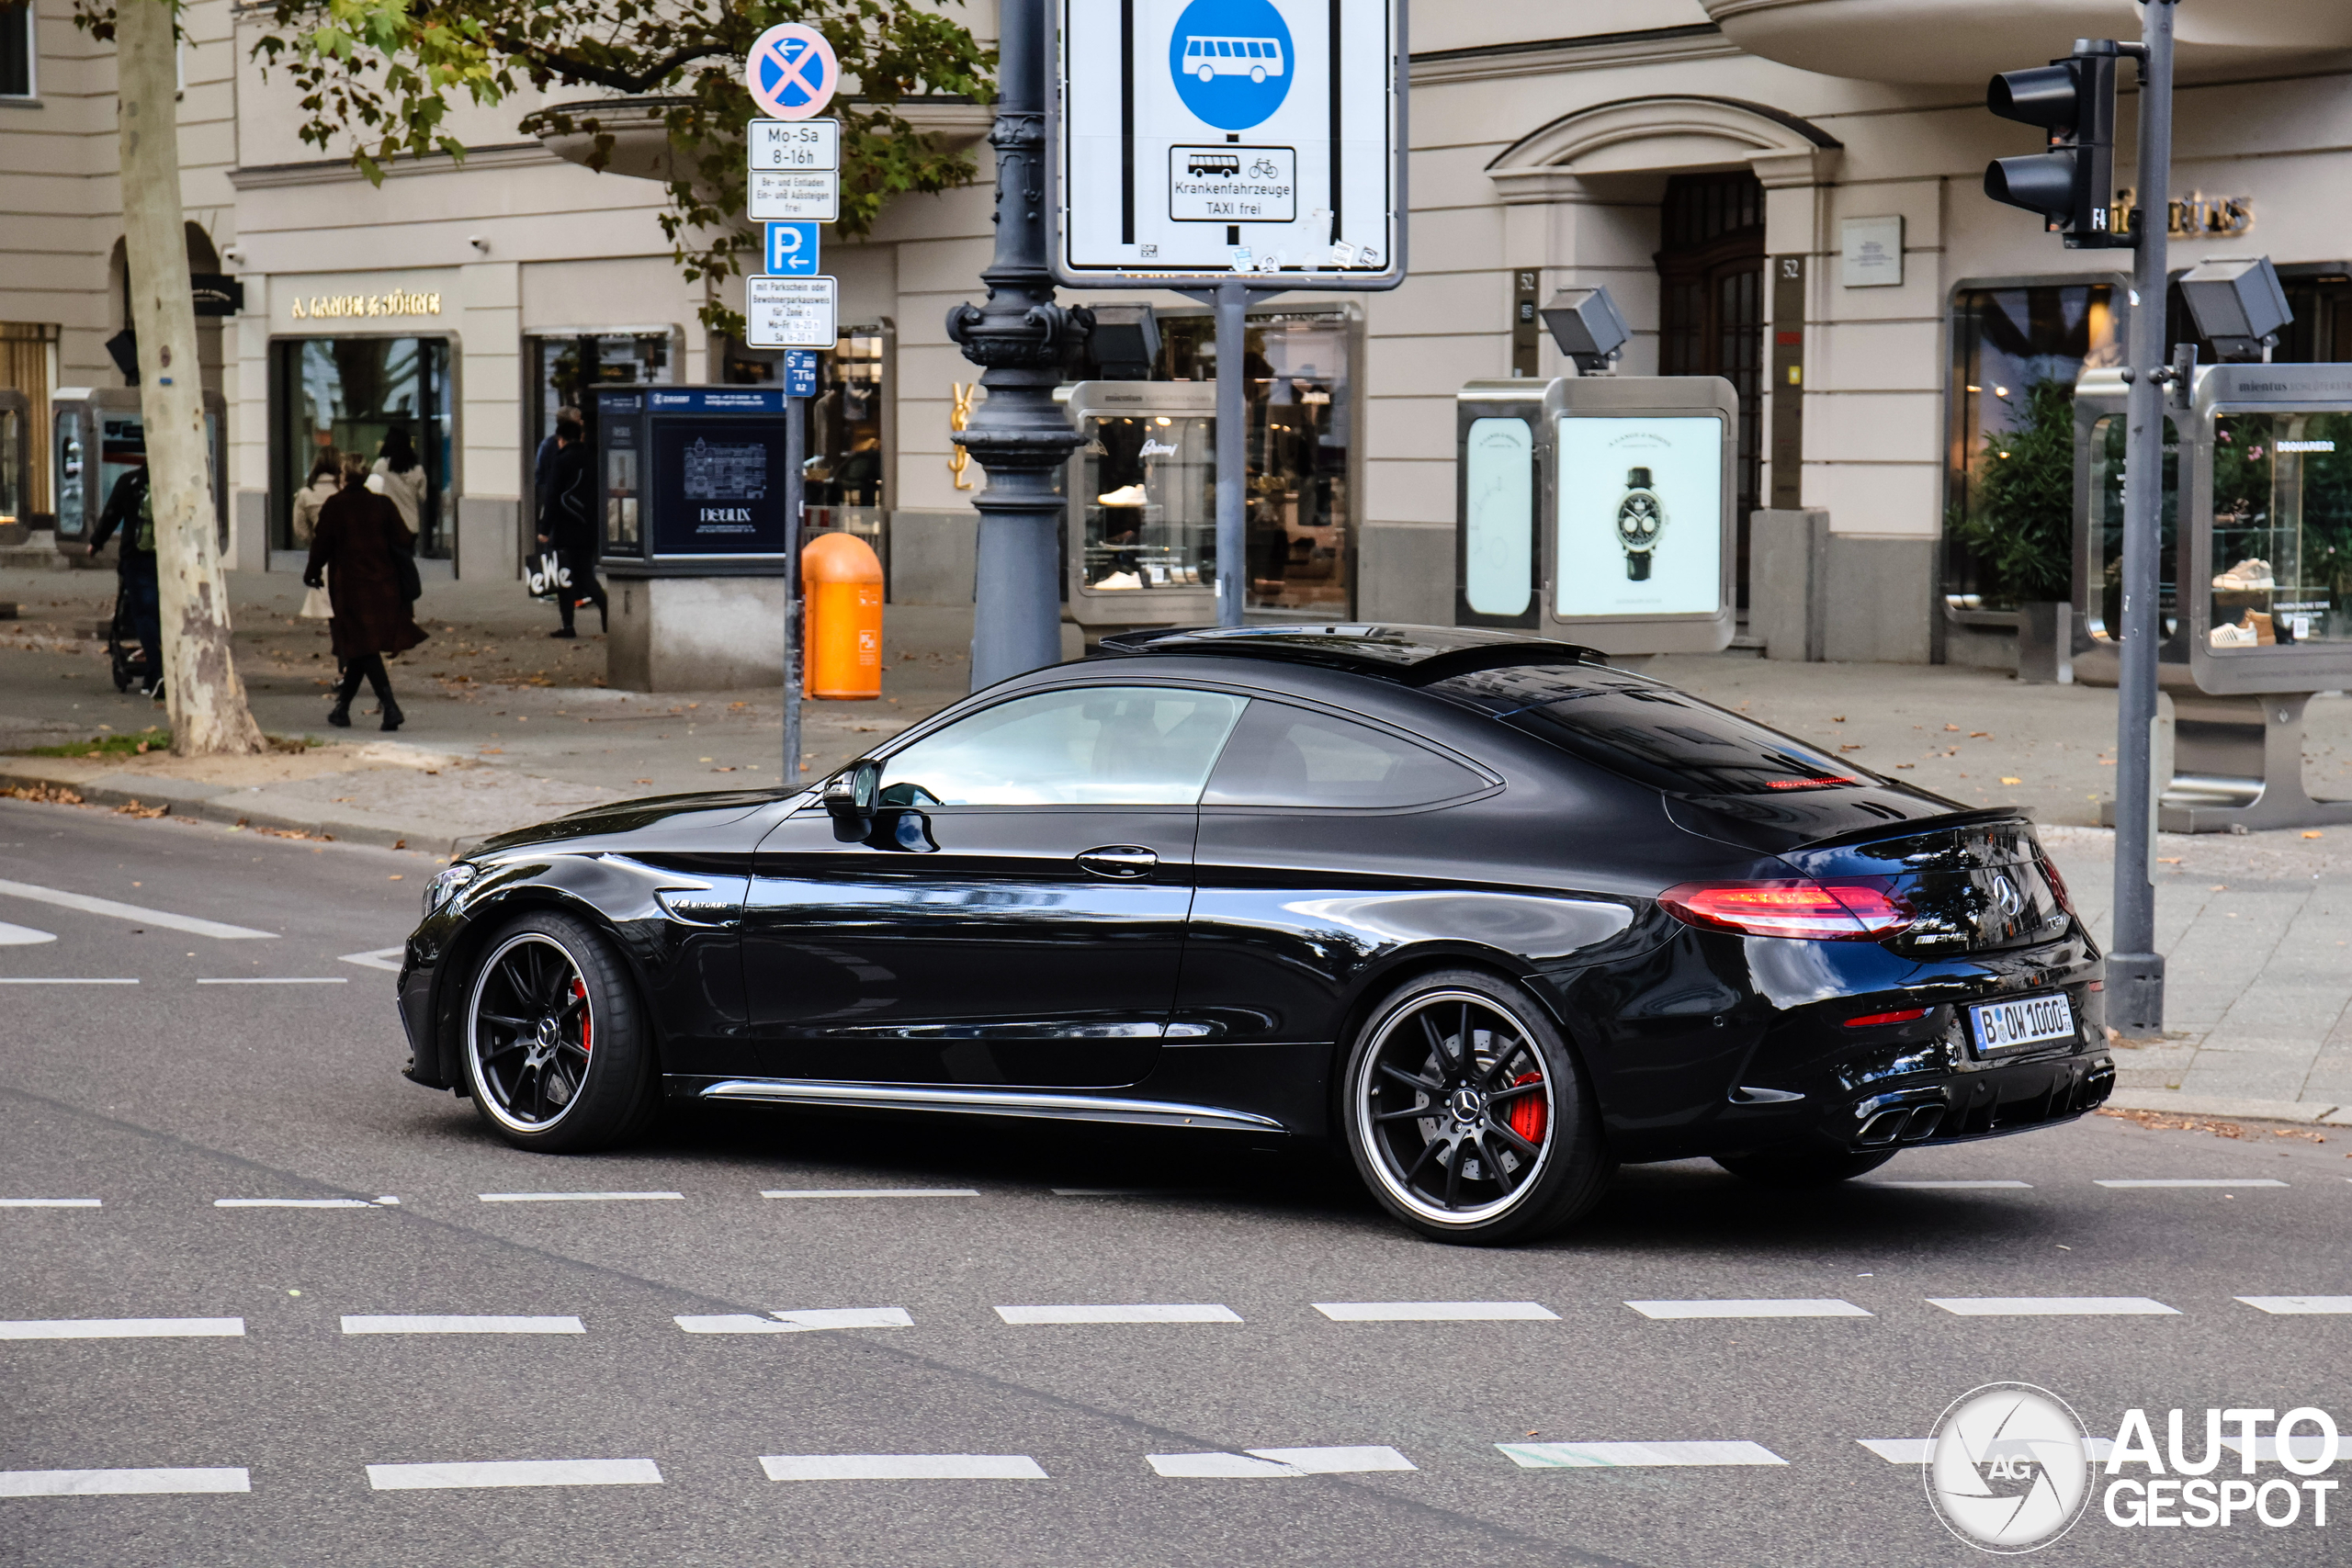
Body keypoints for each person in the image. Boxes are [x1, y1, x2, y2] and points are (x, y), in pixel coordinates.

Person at [305, 452, 424, 730]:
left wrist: (312, 573)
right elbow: (404, 540)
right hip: (385, 586)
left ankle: (391, 707)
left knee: (363, 646)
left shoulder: (336, 506)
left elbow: (321, 543)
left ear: (344, 477)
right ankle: (342, 709)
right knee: (360, 647)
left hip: (351, 588)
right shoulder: (382, 505)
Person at [85, 463, 162, 696]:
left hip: (137, 558)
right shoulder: (173, 482)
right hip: (169, 560)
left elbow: (112, 513)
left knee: (144, 615)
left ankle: (158, 671)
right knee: (166, 615)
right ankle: (158, 673)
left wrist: (96, 543)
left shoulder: (129, 482)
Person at [537, 411, 606, 637]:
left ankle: (568, 625)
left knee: (565, 576)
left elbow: (552, 495)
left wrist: (544, 529)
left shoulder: (561, 460)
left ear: (561, 440)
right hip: (589, 527)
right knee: (586, 574)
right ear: (581, 437)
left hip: (566, 528)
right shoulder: (593, 459)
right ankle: (607, 612)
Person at [369, 426, 426, 539]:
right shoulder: (418, 469)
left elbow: (372, 485)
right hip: (411, 524)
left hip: (389, 525)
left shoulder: (381, 465)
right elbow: (422, 497)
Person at [290, 448, 340, 547]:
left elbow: (300, 528)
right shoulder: (344, 491)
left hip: (320, 549)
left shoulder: (305, 493)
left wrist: (314, 541)